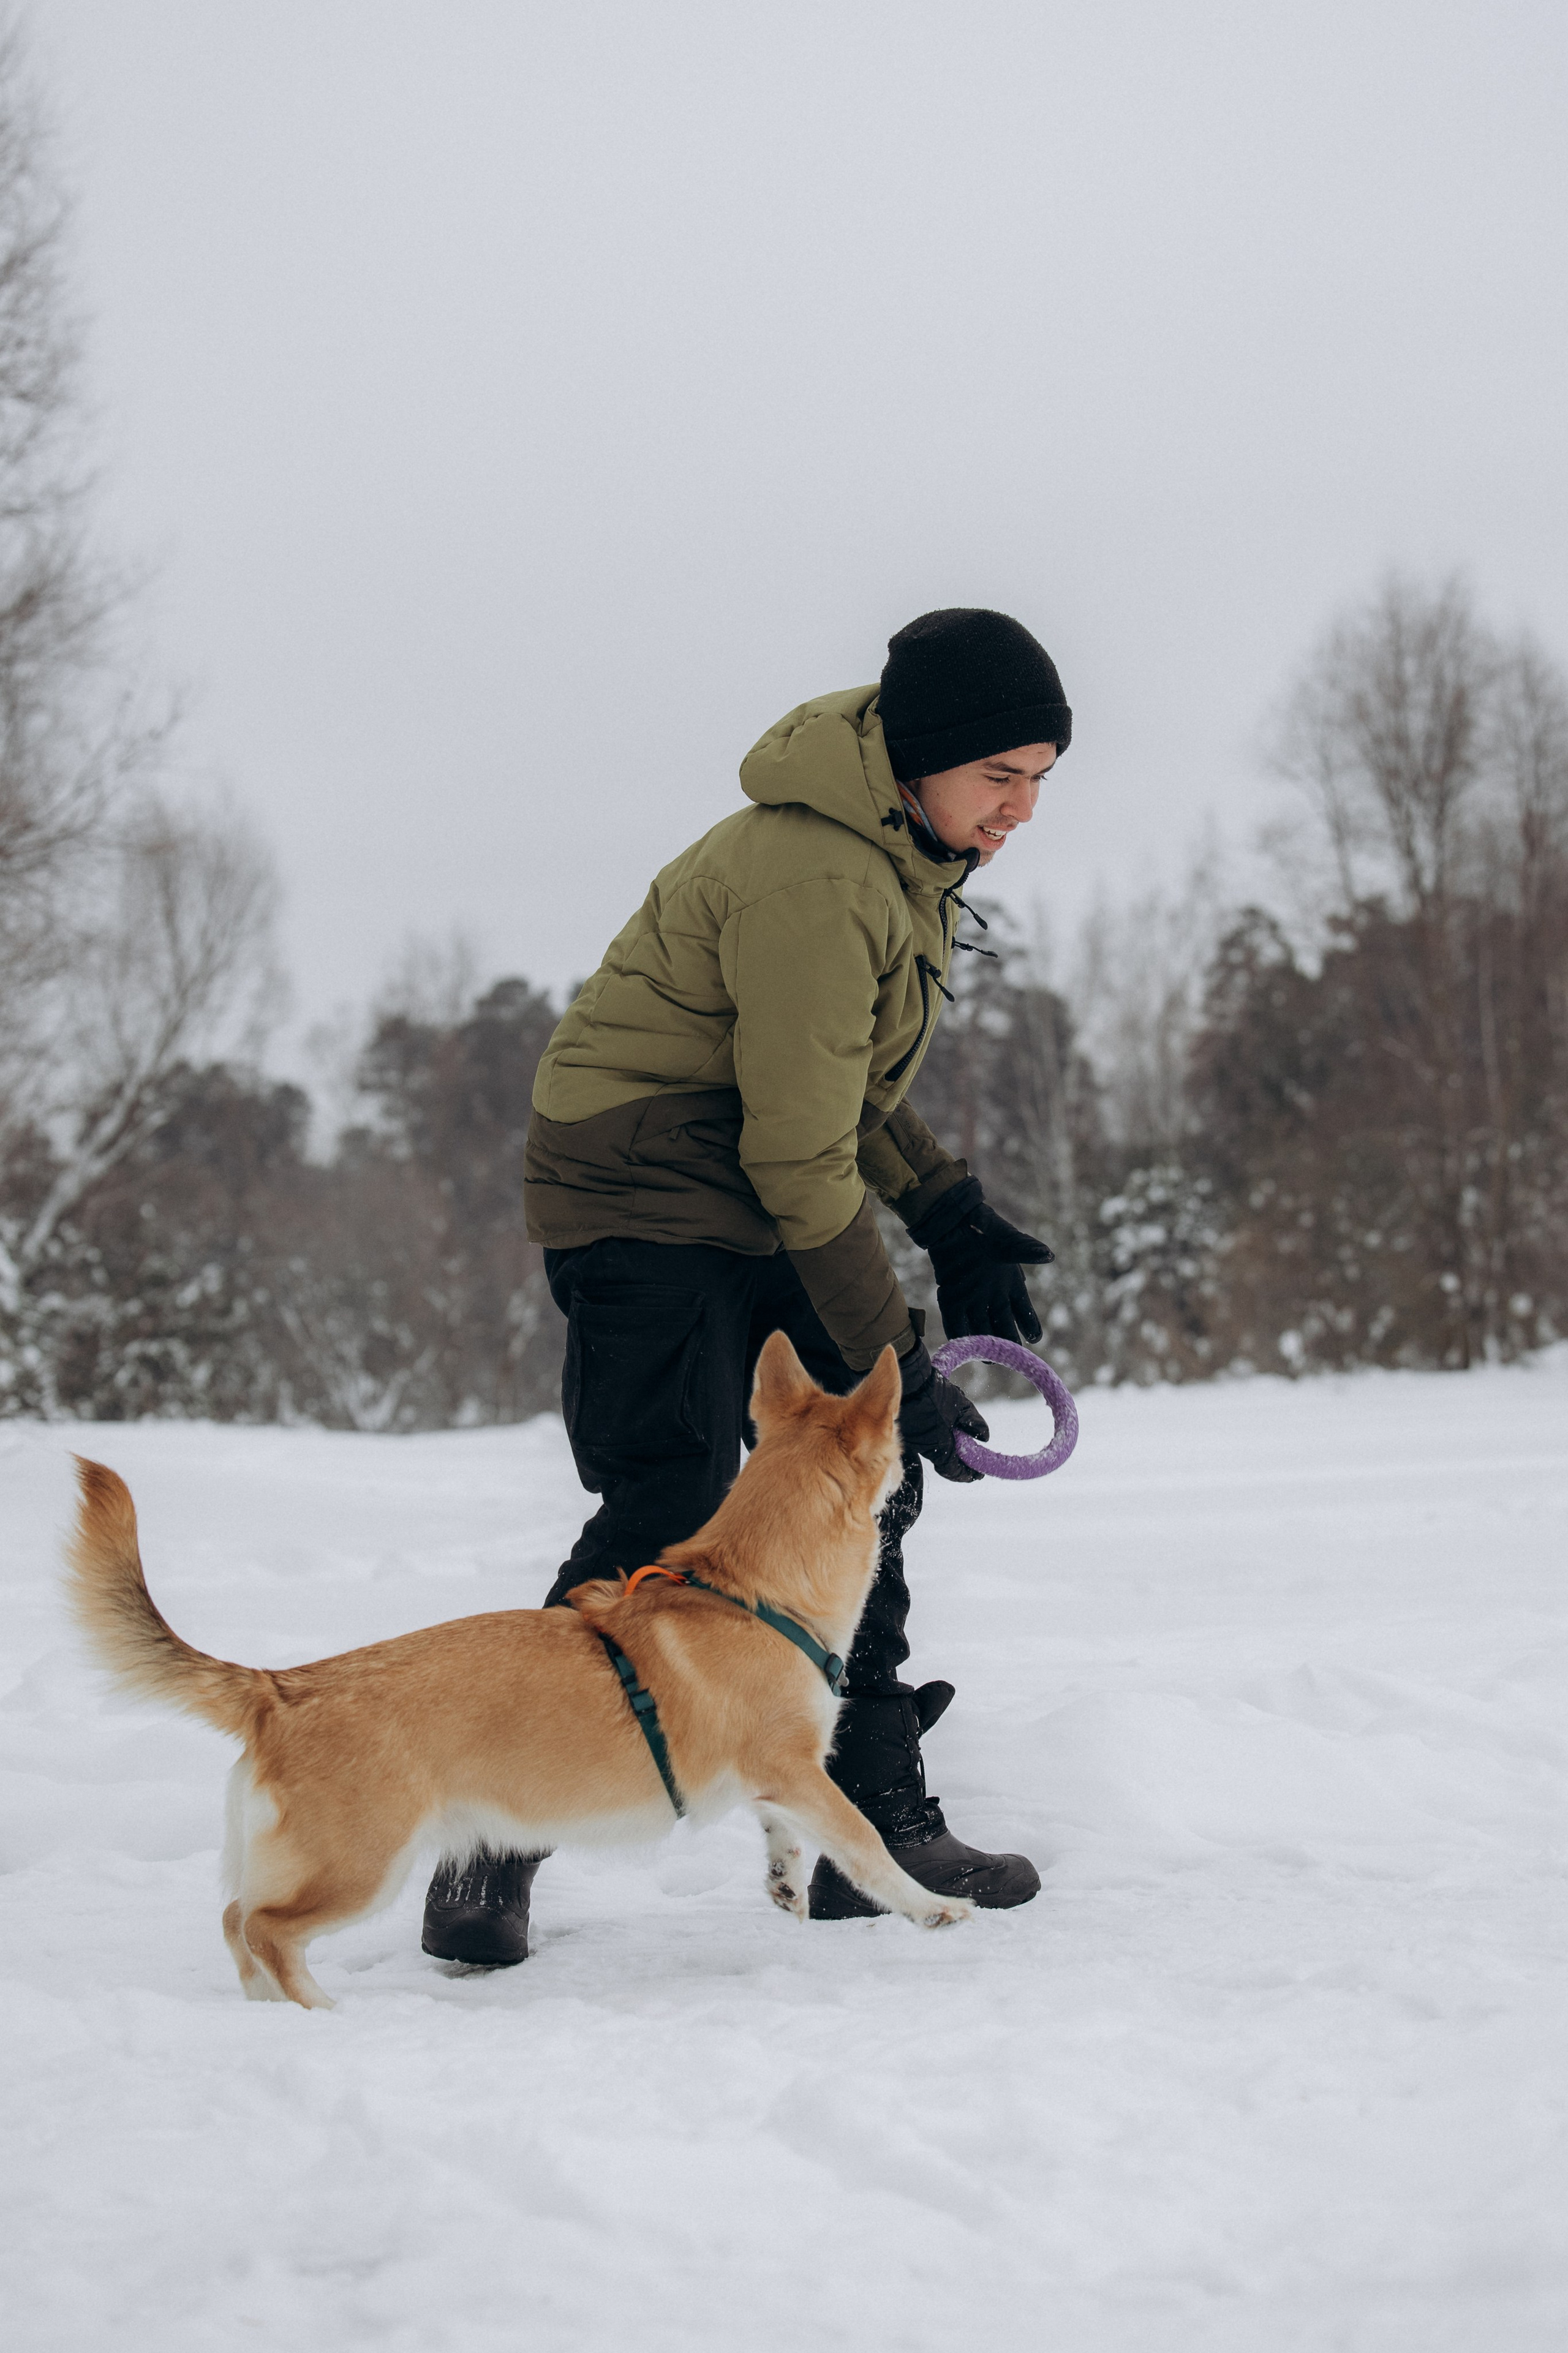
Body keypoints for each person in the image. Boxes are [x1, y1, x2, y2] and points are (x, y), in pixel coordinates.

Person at [423, 606, 1070, 1965]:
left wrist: (949, 1212)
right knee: (665, 1497)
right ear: (925, 758)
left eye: (1038, 781)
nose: (1017, 810)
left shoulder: (905, 857)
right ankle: (488, 1843)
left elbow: (829, 1095)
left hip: (748, 1170)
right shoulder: (818, 877)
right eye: (998, 775)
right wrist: (895, 1346)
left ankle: (867, 1823)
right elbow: (794, 1147)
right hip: (640, 1189)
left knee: (849, 1481)